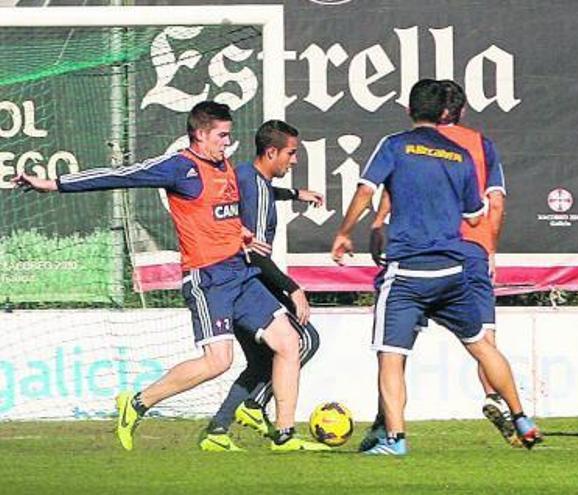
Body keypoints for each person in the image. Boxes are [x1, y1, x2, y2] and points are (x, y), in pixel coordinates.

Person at [13, 102, 309, 452]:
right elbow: (121, 175)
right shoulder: (179, 167)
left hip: (239, 272)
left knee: (291, 343)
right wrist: (53, 184)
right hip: (208, 278)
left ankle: (285, 435)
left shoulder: (223, 164)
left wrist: (241, 233)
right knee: (219, 362)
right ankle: (138, 403)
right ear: (200, 134)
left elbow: (219, 211)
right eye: (222, 135)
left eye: (228, 136)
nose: (227, 143)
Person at [330, 79, 541, 456]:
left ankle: (395, 440)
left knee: (391, 355)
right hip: (452, 271)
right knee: (482, 346)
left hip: (409, 272)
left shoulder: (394, 145)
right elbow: (476, 215)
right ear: (444, 112)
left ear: (410, 111)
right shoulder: (459, 155)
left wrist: (345, 232)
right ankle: (522, 417)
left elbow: (366, 189)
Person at [199, 120, 327, 452]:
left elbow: (265, 190)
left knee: (262, 361)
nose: (294, 160)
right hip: (243, 282)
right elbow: (253, 255)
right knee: (303, 339)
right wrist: (290, 287)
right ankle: (258, 410)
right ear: (271, 152)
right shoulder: (254, 188)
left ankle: (217, 430)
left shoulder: (246, 176)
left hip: (232, 281)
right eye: (291, 153)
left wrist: (296, 194)